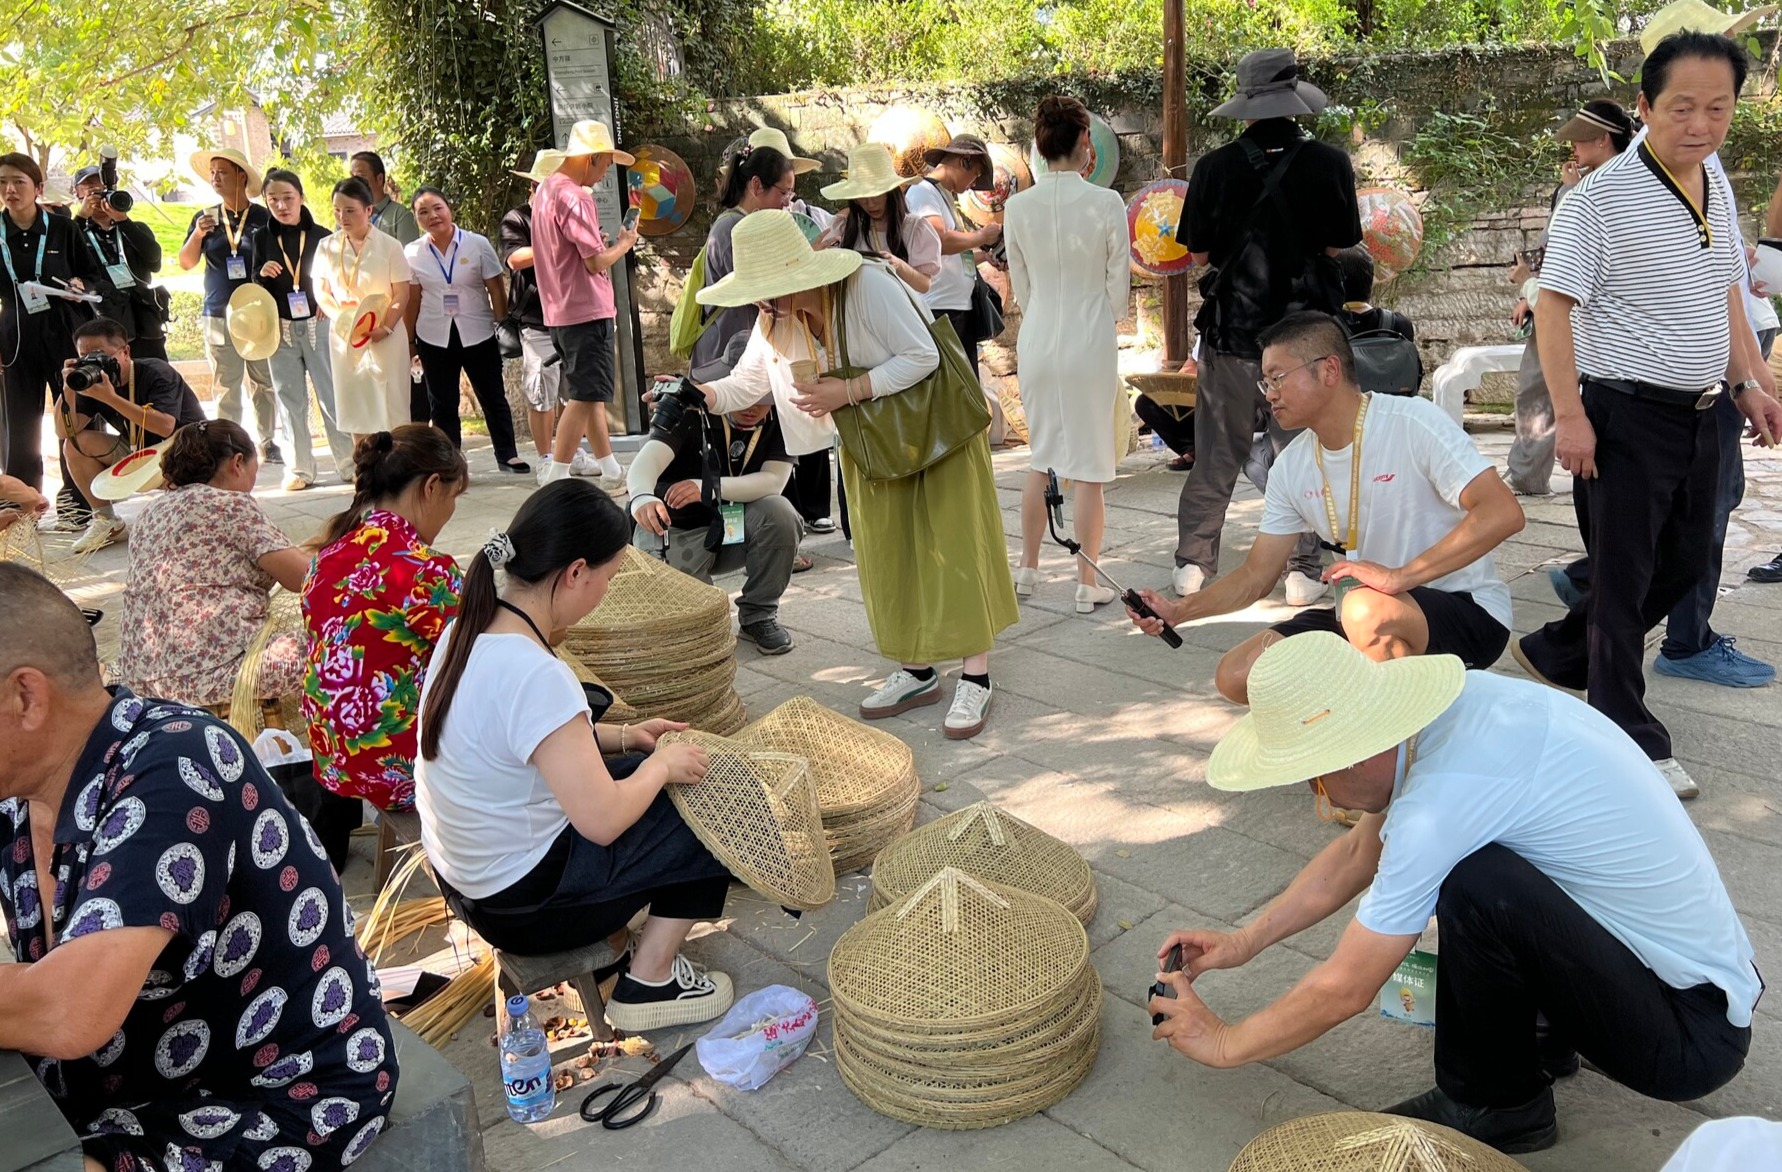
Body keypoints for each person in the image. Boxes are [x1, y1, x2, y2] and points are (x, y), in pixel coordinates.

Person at [1148, 632, 1758, 1155]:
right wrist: (1243, 941)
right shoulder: (1456, 713)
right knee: (1480, 867)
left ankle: (1497, 1104)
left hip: (1683, 1037)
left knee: (1471, 877)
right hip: (1677, 984)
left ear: (1356, 751)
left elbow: (1347, 987)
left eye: (1313, 774)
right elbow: (1363, 851)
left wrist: (1225, 1042)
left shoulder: (1440, 806)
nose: (1317, 794)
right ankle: (1541, 1039)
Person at [0, 563, 399, 1172]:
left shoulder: (176, 762)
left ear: (25, 697)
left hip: (279, 1095)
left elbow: (70, 1009)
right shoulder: (18, 795)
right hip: (133, 1083)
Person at [1513, 31, 1782, 800]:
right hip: (1623, 413)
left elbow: (1726, 289)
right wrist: (1570, 417)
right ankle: (1627, 732)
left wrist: (1751, 385)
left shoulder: (1715, 178)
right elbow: (1554, 309)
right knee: (1625, 581)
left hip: (1703, 414)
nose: (1700, 125)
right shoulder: (1601, 200)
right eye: (1681, 108)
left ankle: (1565, 650)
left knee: (1688, 562)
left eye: (1718, 108)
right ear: (1643, 107)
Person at [414, 479, 738, 1030]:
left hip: (472, 886)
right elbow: (604, 820)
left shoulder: (468, 630)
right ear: (576, 572)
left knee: (645, 768)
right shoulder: (538, 674)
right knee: (709, 793)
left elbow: (531, 743)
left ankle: (646, 949)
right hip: (528, 910)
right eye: (608, 579)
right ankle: (650, 981)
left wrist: (628, 736)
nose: (606, 592)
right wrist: (660, 765)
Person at [693, 211, 1019, 738]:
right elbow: (745, 385)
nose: (759, 301)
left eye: (765, 289)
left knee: (954, 551)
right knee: (890, 557)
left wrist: (846, 391)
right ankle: (917, 669)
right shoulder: (775, 317)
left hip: (934, 435)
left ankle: (976, 679)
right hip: (869, 446)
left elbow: (924, 356)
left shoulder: (865, 285)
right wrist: (695, 395)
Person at [1128, 313, 1523, 703]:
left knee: (1364, 608)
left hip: (1463, 608)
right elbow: (1256, 575)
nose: (1268, 393)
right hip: (1364, 607)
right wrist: (1178, 611)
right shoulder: (1291, 465)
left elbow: (1502, 513)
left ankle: (1395, 749)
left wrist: (1399, 577)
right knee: (1239, 674)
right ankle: (1353, 718)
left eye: (1278, 377)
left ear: (1329, 369)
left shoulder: (1412, 422)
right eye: (1265, 381)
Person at [1173, 49, 1362, 604]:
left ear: (1246, 106)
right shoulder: (1330, 163)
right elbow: (1337, 245)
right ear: (1294, 100)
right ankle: (1303, 568)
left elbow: (1201, 256)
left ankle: (1193, 562)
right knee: (1301, 453)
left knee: (1216, 452)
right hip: (1305, 341)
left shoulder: (1212, 168)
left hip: (1232, 334)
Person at [1004, 96, 1131, 615]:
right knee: (1090, 464)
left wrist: (1044, 319)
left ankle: (1029, 568)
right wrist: (1102, 314)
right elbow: (1118, 289)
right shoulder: (1106, 204)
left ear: (1037, 146)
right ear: (1085, 144)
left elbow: (1022, 287)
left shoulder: (1016, 207)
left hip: (1038, 339)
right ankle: (1086, 581)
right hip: (1087, 336)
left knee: (1041, 456)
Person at [302, 426, 467, 814]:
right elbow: (485, 653)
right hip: (402, 770)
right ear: (431, 487)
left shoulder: (327, 556)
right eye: (454, 495)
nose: (452, 509)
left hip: (335, 757)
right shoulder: (424, 570)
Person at [116, 420, 310, 707]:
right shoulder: (231, 505)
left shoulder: (150, 512)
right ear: (238, 463)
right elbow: (304, 577)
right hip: (210, 675)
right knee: (346, 644)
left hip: (141, 676)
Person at [1504, 100, 1634, 497]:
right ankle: (1527, 474)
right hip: (1552, 301)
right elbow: (1555, 248)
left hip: (1583, 311)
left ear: (1602, 138)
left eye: (1580, 138)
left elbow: (1571, 253)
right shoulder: (1580, 187)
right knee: (1534, 389)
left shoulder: (1615, 188)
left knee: (1547, 389)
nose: (1573, 147)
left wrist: (1531, 284)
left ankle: (1531, 474)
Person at [627, 387, 800, 655]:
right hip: (677, 530)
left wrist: (708, 486)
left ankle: (758, 615)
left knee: (780, 514)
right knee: (688, 633)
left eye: (762, 398)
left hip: (734, 529)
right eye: (744, 393)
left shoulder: (781, 418)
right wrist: (641, 497)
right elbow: (645, 462)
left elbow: (774, 482)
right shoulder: (691, 412)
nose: (752, 406)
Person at [532, 120, 638, 485]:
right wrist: (623, 244)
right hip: (586, 310)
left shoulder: (545, 190)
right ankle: (557, 475)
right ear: (592, 157)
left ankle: (609, 467)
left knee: (589, 392)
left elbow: (574, 252)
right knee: (583, 395)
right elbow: (595, 262)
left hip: (559, 310)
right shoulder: (576, 196)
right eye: (606, 162)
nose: (607, 171)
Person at [52, 317, 206, 553]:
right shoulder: (92, 382)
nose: (95, 363)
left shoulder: (156, 372)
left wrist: (110, 398)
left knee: (186, 528)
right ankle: (106, 522)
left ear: (125, 352)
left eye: (101, 355)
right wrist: (68, 391)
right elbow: (65, 432)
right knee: (74, 445)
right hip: (139, 450)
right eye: (86, 356)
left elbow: (165, 426)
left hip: (184, 449)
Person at [403, 186, 529, 474]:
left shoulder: (477, 244)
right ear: (416, 218)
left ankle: (507, 454)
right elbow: (413, 299)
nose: (432, 215)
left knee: (493, 396)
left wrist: (501, 324)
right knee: (443, 404)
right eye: (423, 211)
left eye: (437, 207)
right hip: (434, 335)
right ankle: (451, 461)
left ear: (449, 209)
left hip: (478, 331)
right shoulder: (412, 253)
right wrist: (411, 341)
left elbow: (495, 287)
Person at [1, 152, 100, 494]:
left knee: (73, 413)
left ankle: (79, 498)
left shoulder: (62, 228)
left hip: (64, 329)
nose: (10, 189)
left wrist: (80, 287)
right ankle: (24, 501)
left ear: (38, 187)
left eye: (18, 182)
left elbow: (92, 276)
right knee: (19, 422)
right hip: (15, 335)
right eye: (2, 183)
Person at [252, 168, 354, 490]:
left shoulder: (324, 235)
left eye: (288, 198)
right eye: (274, 200)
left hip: (318, 324)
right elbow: (254, 279)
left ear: (301, 198)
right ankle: (299, 469)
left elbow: (338, 278)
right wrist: (262, 273)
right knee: (288, 397)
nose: (282, 206)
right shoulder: (260, 237)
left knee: (330, 394)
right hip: (278, 327)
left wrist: (328, 302)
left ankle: (349, 463)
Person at [177, 147, 279, 463]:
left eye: (222, 171)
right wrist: (197, 234)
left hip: (258, 312)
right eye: (212, 172)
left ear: (240, 175)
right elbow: (185, 262)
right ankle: (230, 445)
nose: (215, 178)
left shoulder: (263, 217)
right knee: (226, 384)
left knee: (263, 382)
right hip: (219, 312)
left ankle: (267, 441)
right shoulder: (205, 217)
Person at [314, 177, 413, 439]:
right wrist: (343, 320)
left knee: (392, 402)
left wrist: (386, 327)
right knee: (354, 402)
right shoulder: (326, 246)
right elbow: (321, 291)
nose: (342, 217)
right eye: (337, 210)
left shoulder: (390, 246)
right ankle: (365, 469)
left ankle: (399, 468)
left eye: (350, 210)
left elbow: (402, 291)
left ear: (368, 210)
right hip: (346, 337)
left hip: (384, 334)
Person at [691, 144, 796, 380]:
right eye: (783, 193)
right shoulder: (733, 229)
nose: (787, 203)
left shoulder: (743, 225)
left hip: (737, 348)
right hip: (728, 355)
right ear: (756, 185)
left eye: (791, 195)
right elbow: (763, 292)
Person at [906, 134, 1002, 380]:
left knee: (965, 389)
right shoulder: (922, 192)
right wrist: (982, 235)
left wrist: (985, 256)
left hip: (956, 306)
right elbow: (939, 241)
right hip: (940, 308)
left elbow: (955, 251)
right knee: (953, 391)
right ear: (965, 162)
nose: (973, 183)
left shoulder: (942, 196)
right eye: (975, 175)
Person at [500, 149, 573, 465]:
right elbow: (515, 259)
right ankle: (546, 457)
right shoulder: (518, 218)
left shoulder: (571, 213)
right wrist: (553, 242)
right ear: (532, 188)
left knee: (576, 393)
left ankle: (569, 452)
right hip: (536, 319)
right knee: (541, 391)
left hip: (573, 314)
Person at [819, 142, 942, 296]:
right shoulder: (844, 228)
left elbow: (924, 285)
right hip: (857, 314)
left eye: (876, 195)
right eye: (862, 197)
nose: (870, 204)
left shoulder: (914, 228)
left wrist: (899, 266)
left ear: (890, 191)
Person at [71, 164, 167, 362]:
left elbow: (154, 261)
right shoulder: (77, 233)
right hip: (102, 319)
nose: (97, 192)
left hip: (142, 318)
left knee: (153, 371)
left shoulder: (135, 228)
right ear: (78, 194)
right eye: (89, 189)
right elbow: (65, 255)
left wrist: (123, 221)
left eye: (101, 187)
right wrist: (80, 218)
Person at [350, 150, 421, 246]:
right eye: (352, 176)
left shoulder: (401, 216)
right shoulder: (347, 214)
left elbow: (408, 258)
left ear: (379, 179)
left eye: (361, 176)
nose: (355, 182)